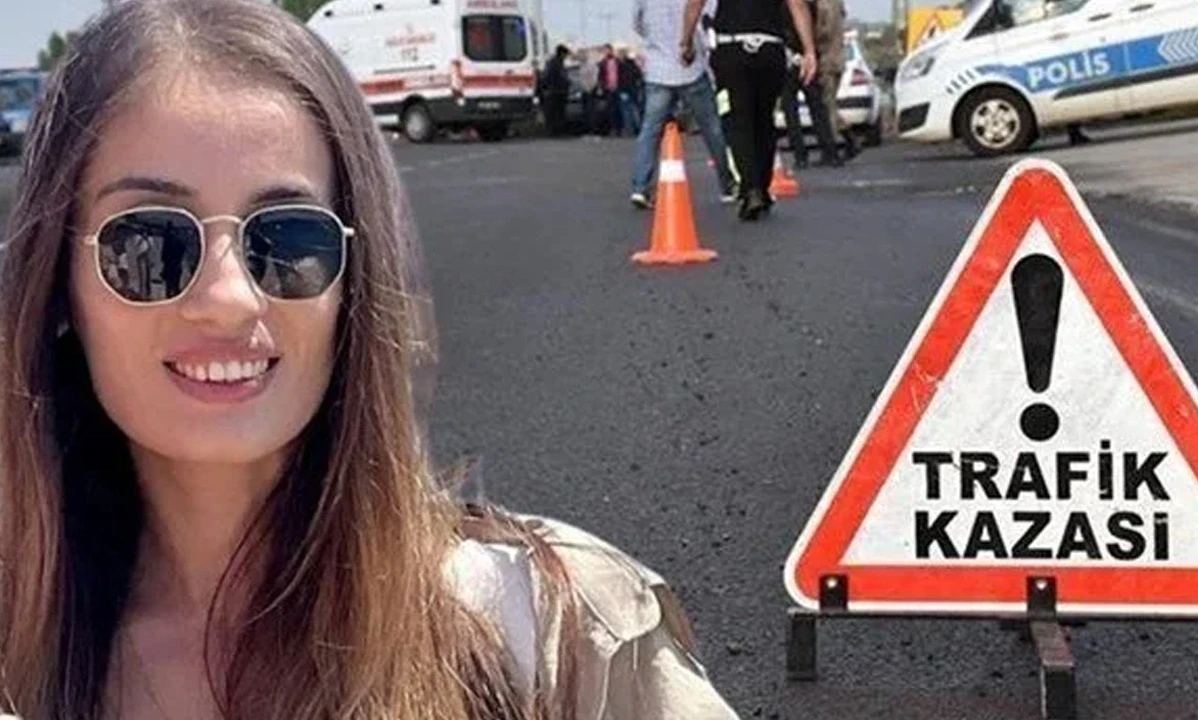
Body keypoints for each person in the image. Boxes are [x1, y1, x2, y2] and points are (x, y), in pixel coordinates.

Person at [0, 1, 742, 718]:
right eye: (149, 242)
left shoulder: (557, 631)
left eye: (290, 239)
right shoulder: (19, 656)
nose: (228, 299)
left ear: (353, 284)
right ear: (57, 280)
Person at [688, 0, 817, 221]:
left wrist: (686, 40)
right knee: (764, 120)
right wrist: (809, 50)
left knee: (737, 121)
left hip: (732, 48)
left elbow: (695, 4)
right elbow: (797, 4)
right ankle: (762, 187)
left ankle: (751, 188)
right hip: (770, 48)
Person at [629, 0, 739, 209]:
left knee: (650, 131)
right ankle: (727, 184)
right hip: (690, 66)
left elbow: (638, 25)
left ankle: (640, 187)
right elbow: (708, 17)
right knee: (713, 130)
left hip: (658, 68)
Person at [779, 0, 843, 169]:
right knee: (817, 106)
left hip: (788, 58)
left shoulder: (785, 7)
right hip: (807, 56)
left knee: (791, 109)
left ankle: (801, 155)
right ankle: (830, 152)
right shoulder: (810, 6)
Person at [814, 0, 856, 160]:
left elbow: (825, 32)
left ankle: (832, 149)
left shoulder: (824, 5)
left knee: (827, 107)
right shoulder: (837, 4)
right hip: (837, 59)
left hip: (827, 60)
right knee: (830, 105)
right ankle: (847, 139)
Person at [540, 44, 572, 137]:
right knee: (554, 113)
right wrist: (548, 88)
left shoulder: (558, 63)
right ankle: (554, 132)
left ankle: (557, 131)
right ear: (561, 53)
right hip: (554, 92)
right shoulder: (554, 63)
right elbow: (548, 77)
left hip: (558, 91)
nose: (566, 57)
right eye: (565, 54)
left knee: (558, 113)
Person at [597, 45, 623, 136]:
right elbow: (600, 76)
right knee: (610, 109)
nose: (607, 52)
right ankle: (612, 128)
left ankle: (620, 128)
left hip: (618, 88)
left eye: (608, 50)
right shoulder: (602, 63)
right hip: (607, 88)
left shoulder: (618, 62)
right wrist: (601, 87)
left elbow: (622, 74)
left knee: (619, 109)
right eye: (605, 51)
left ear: (612, 50)